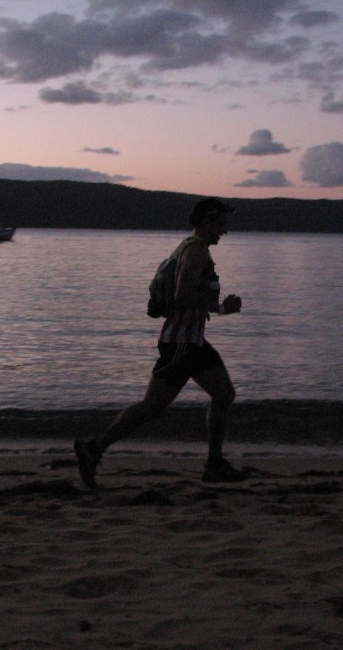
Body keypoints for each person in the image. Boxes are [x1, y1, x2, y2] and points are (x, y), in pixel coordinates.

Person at [74, 197, 247, 487]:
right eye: (220, 224)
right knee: (152, 407)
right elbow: (182, 296)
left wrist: (212, 307)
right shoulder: (195, 252)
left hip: (193, 342)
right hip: (181, 343)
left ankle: (214, 464)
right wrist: (220, 308)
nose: (224, 231)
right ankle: (93, 448)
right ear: (206, 222)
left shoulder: (193, 249)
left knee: (224, 394)